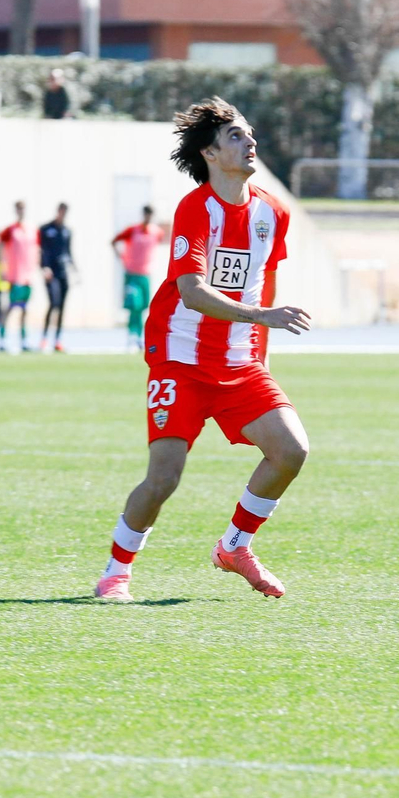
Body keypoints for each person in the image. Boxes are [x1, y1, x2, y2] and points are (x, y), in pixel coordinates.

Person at [93, 97, 313, 604]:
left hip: (239, 363)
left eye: (250, 133)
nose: (250, 140)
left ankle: (235, 546)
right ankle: (116, 571)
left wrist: (260, 350)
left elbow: (263, 282)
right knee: (164, 478)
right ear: (211, 153)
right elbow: (191, 291)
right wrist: (259, 318)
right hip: (181, 358)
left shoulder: (272, 212)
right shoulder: (196, 209)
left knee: (291, 451)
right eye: (236, 135)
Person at [112, 205, 165, 352]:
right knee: (133, 305)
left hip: (145, 274)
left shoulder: (156, 232)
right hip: (132, 273)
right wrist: (122, 257)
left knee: (143, 306)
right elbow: (114, 240)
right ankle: (131, 336)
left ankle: (140, 337)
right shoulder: (133, 230)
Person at [0, 200, 39, 354]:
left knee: (24, 309)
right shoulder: (10, 230)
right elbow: (0, 246)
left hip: (28, 276)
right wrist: (2, 269)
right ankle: (2, 339)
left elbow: (36, 250)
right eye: (19, 209)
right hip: (14, 276)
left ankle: (23, 340)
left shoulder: (31, 229)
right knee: (10, 308)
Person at [38, 202, 74, 354]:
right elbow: (42, 250)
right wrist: (44, 267)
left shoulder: (66, 231)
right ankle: (44, 338)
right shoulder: (46, 229)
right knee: (53, 303)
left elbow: (68, 252)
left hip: (63, 272)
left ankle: (58, 339)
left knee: (62, 306)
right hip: (50, 272)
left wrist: (74, 268)